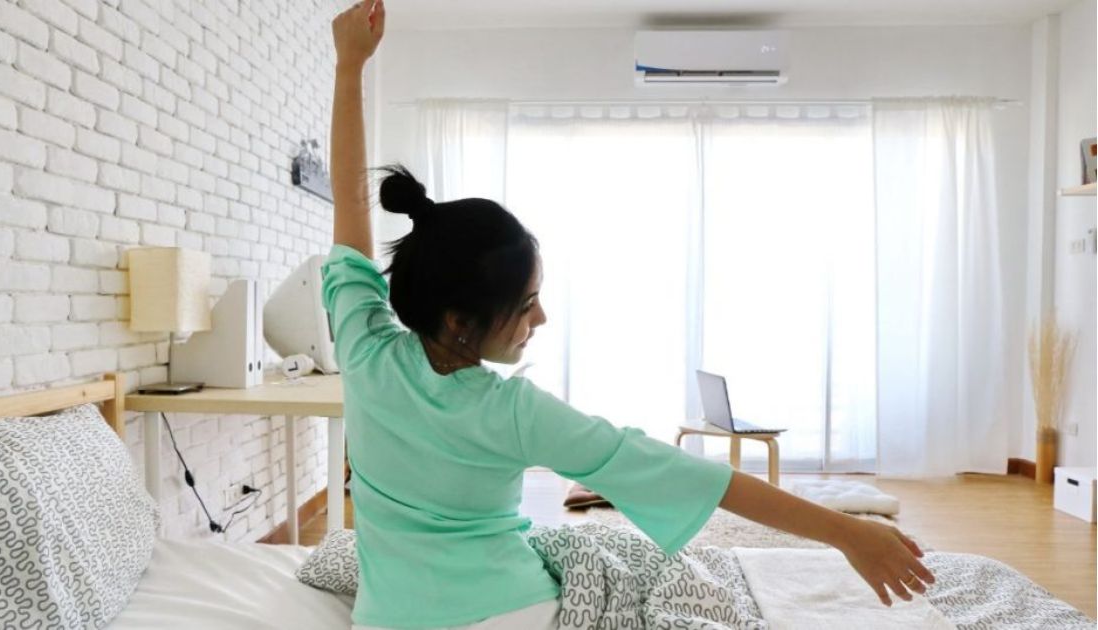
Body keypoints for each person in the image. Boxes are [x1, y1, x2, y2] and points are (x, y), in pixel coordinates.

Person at [327, 2, 934, 628]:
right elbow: (696, 478)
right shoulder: (513, 411)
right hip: (510, 612)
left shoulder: (361, 349)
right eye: (527, 304)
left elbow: (348, 202)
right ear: (461, 319)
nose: (541, 319)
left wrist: (349, 67)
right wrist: (849, 534)